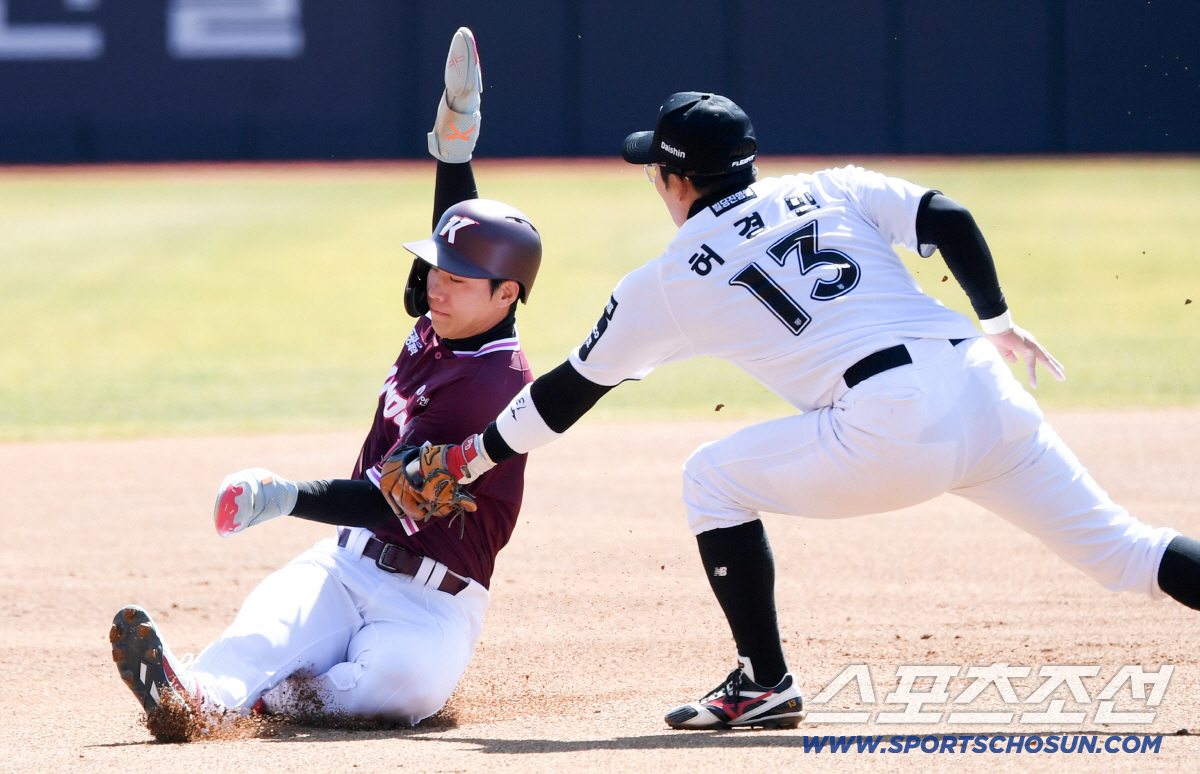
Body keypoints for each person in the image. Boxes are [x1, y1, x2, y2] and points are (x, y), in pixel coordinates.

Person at [406, 91, 1200, 730]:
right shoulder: (831, 186)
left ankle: (763, 682)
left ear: (676, 182)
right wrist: (996, 322)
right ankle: (761, 683)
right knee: (1129, 552)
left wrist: (470, 458)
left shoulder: (669, 279)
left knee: (712, 481)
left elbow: (567, 393)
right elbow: (948, 217)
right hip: (982, 385)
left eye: (656, 168)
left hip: (888, 425)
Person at [108, 28, 544, 737]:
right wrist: (455, 149)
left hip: (433, 606)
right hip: (343, 567)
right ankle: (195, 697)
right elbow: (454, 238)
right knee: (262, 635)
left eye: (459, 280)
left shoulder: (490, 387)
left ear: (507, 296)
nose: (437, 284)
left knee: (394, 689)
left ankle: (280, 699)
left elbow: (379, 498)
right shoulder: (449, 314)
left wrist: (284, 497)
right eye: (435, 269)